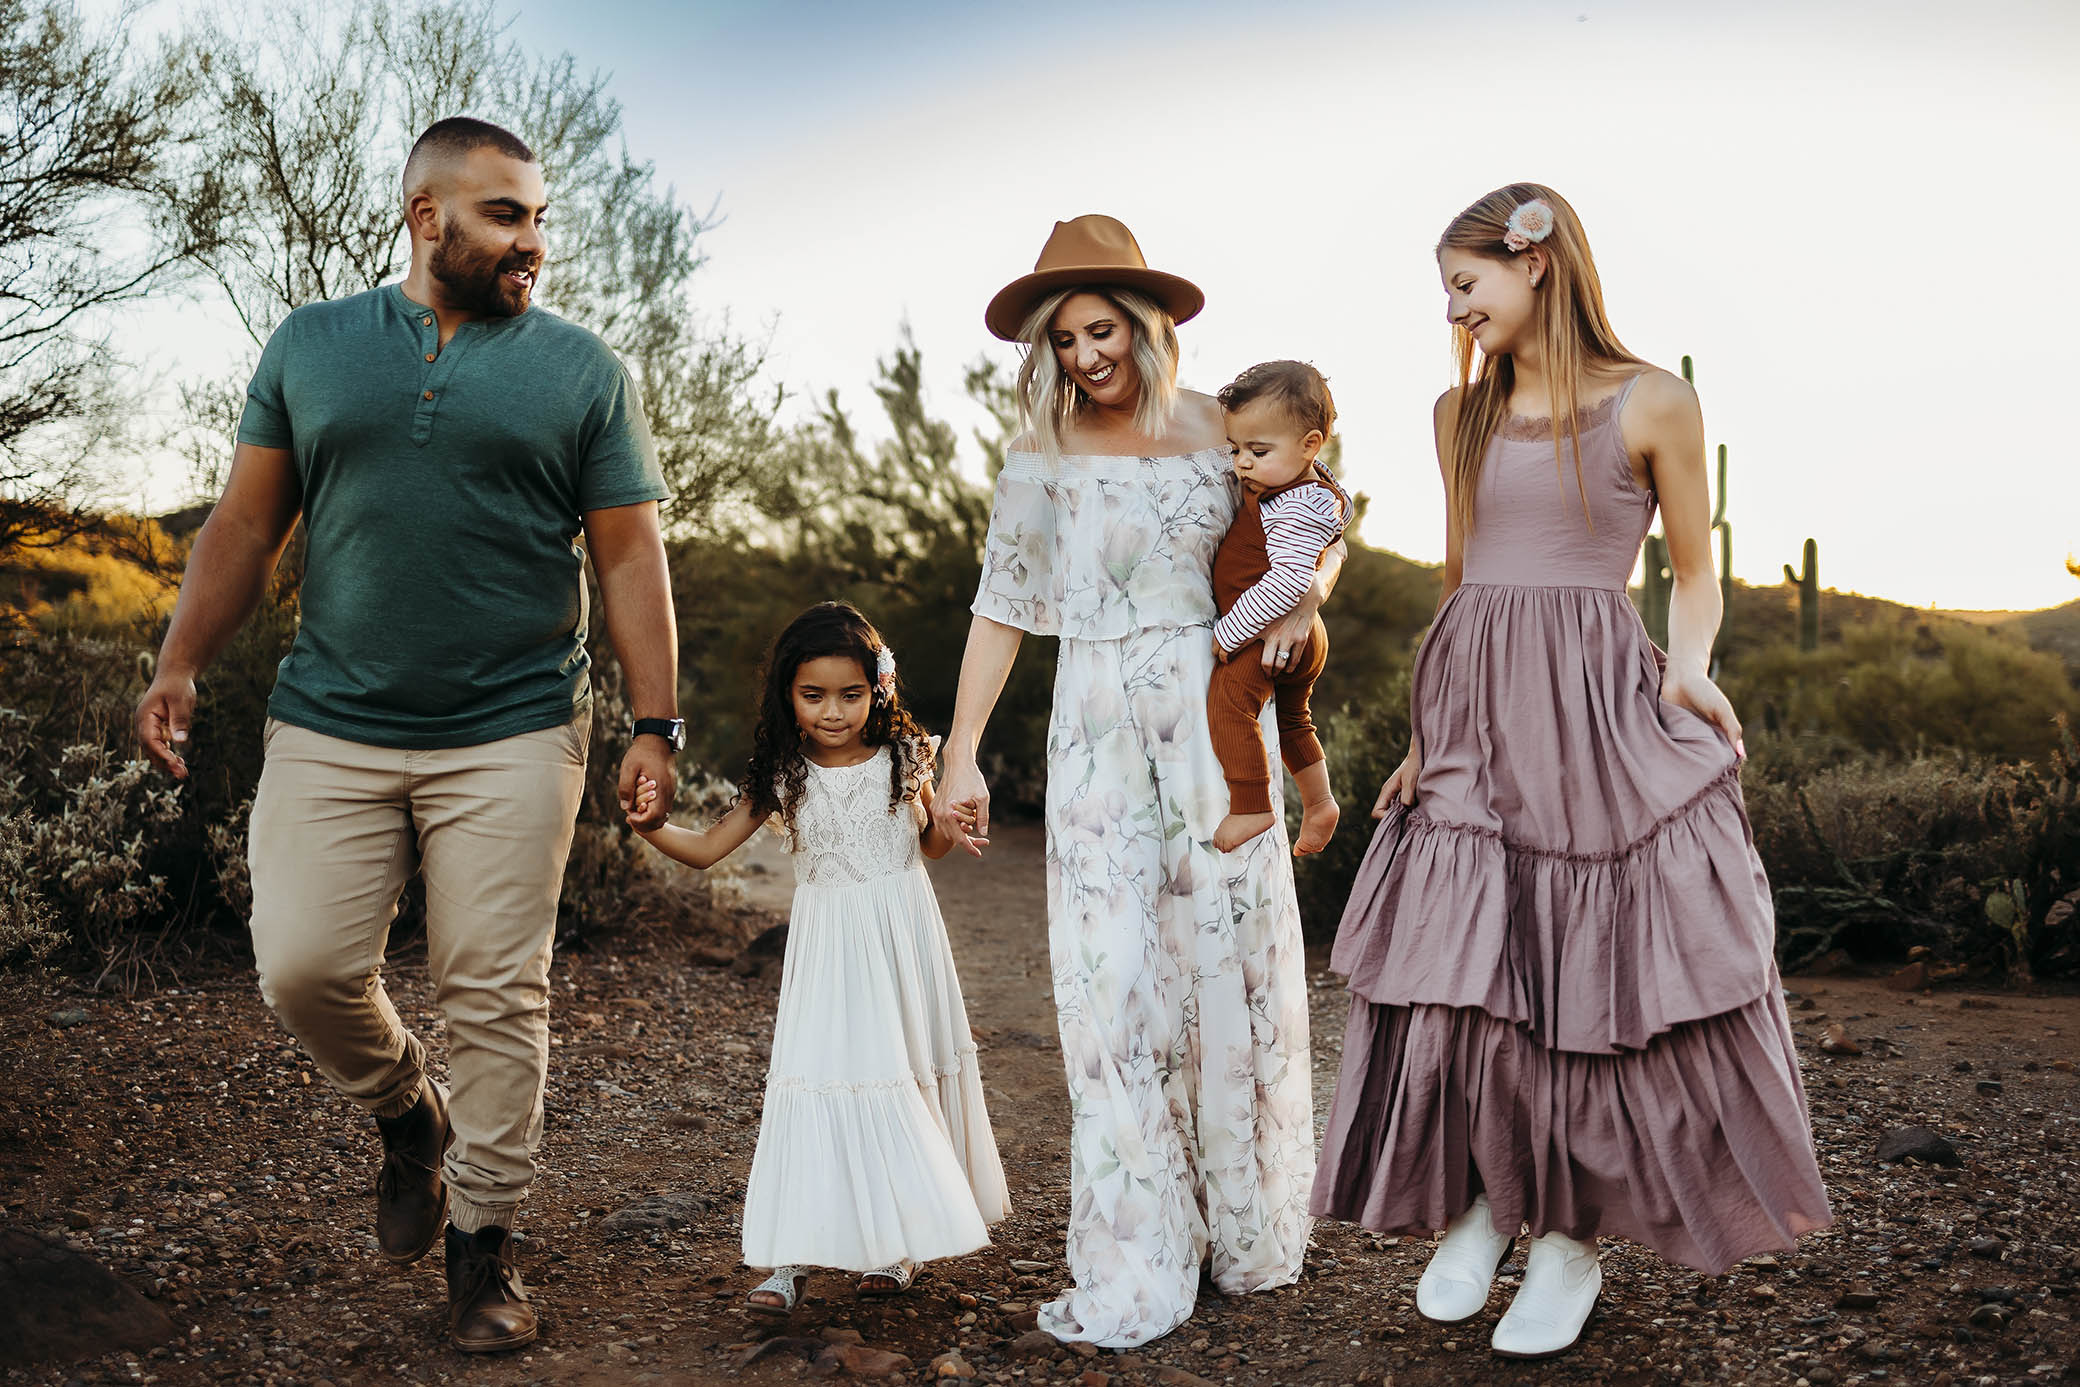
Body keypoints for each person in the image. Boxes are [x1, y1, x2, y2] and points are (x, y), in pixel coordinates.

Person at [133, 117, 680, 1353]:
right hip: (332, 718)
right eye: (504, 216)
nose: (530, 241)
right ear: (427, 216)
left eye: (538, 217)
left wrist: (654, 721)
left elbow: (630, 553)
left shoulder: (583, 372)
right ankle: (404, 1111)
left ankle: (484, 1248)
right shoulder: (314, 346)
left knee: (493, 989)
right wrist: (178, 662)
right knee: (301, 965)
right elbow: (244, 523)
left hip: (514, 723)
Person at [1311, 184, 1832, 1360]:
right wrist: (1419, 741)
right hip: (1473, 710)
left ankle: (1571, 1239)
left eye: (1464, 282)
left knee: (1585, 976)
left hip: (1596, 702)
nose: (1451, 308)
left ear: (1534, 265)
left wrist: (1688, 669)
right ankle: (1491, 1199)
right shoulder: (1457, 411)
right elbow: (1460, 582)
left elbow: (1693, 572)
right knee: (1468, 973)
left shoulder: (1655, 398)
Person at [931, 214, 1335, 1348]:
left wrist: (1304, 602)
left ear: (1145, 327)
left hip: (1215, 717)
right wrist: (961, 749)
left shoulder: (1226, 429)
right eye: (1062, 342)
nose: (1084, 358)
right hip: (1098, 725)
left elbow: (1315, 520)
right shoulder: (1041, 454)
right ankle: (1139, 1243)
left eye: (1099, 331)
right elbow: (1003, 601)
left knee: (1228, 963)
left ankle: (1242, 1223)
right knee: (1113, 978)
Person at [626, 601, 1008, 1313]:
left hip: (900, 932)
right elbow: (709, 849)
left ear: (879, 690)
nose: (833, 712)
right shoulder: (782, 771)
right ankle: (789, 1256)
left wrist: (950, 824)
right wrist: (652, 828)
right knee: (818, 1081)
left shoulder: (905, 754)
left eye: (851, 694)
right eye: (814, 695)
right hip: (828, 946)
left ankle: (898, 1244)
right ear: (787, 695)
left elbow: (926, 844)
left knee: (897, 1077)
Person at [1207, 360, 1352, 855]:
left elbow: (1288, 581)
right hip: (1303, 636)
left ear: (1310, 445)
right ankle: (1320, 802)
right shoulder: (1304, 487)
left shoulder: (1294, 503)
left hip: (1269, 635)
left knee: (1229, 702)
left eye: (1257, 450)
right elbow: (1336, 510)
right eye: (1236, 449)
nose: (1242, 463)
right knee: (1293, 720)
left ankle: (1250, 805)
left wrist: (1229, 633)